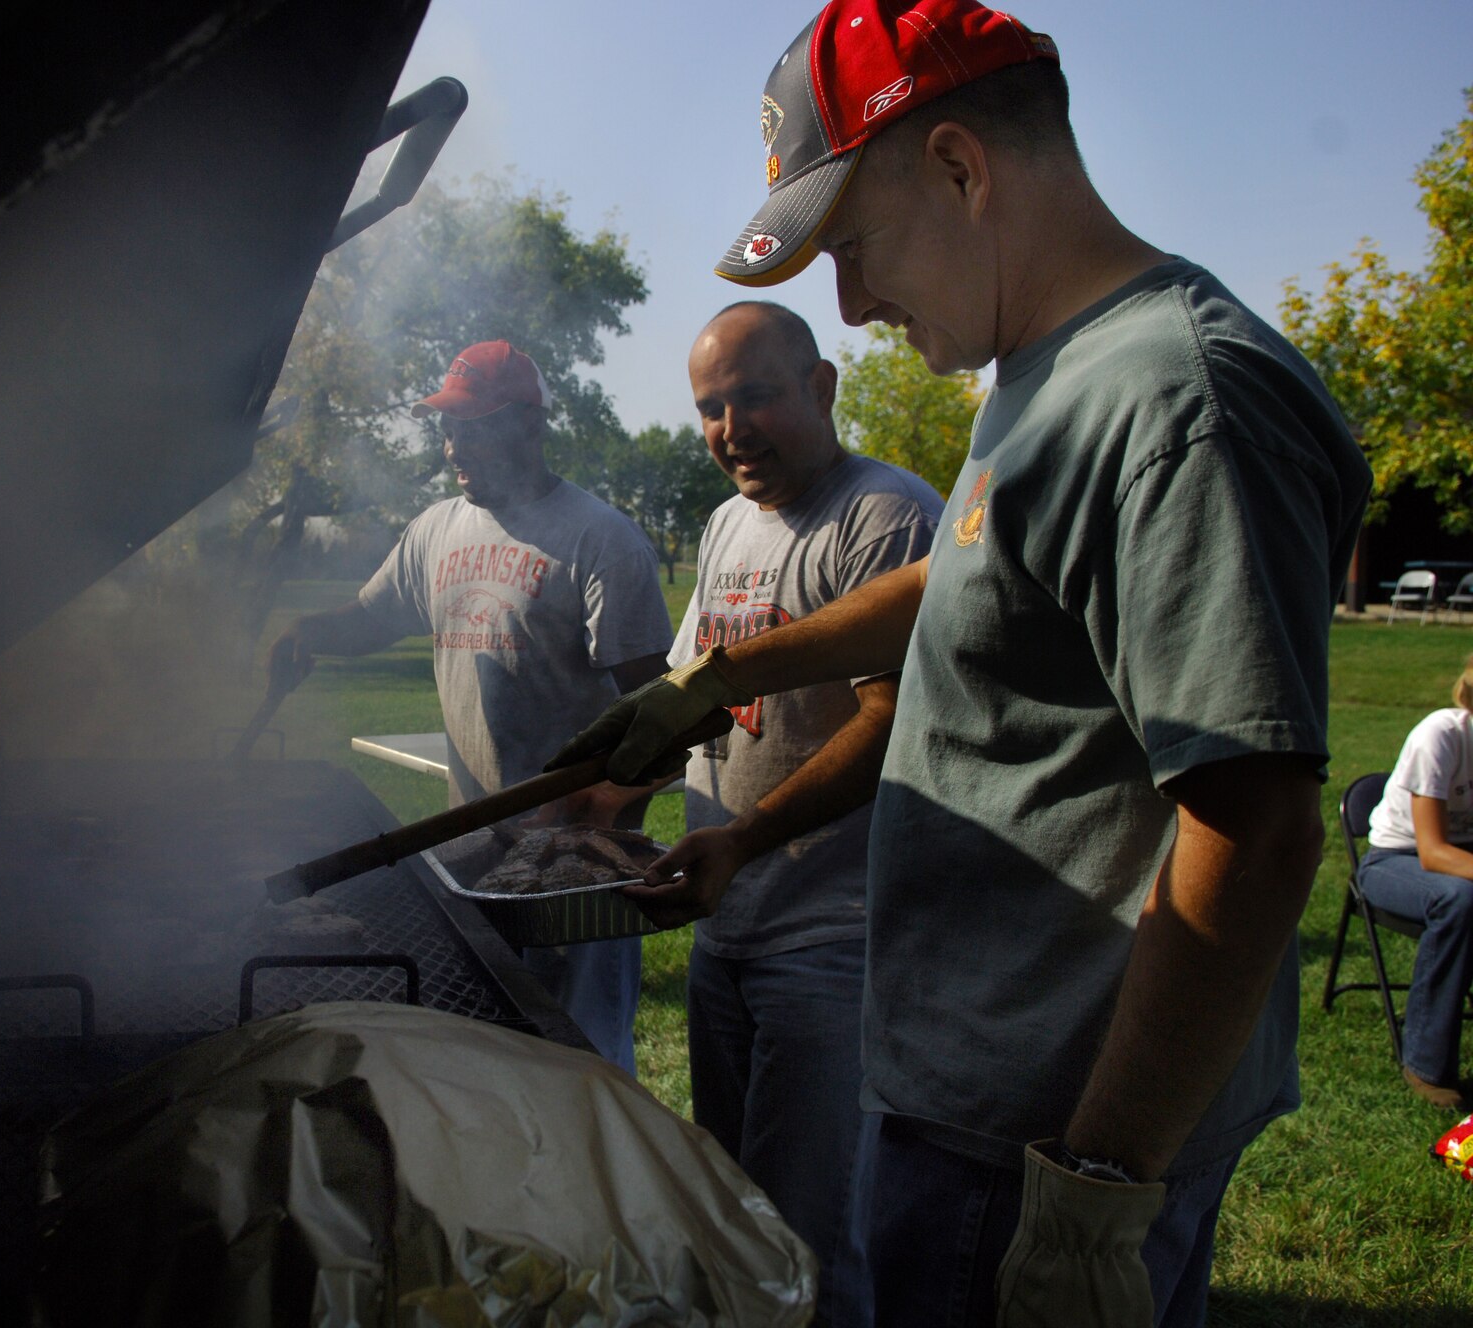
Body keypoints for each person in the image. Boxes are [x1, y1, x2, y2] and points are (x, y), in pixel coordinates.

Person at [552, 2, 1373, 1324]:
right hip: (969, 1090)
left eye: (854, 249)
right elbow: (963, 587)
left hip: (1050, 1139)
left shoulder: (1175, 403)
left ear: (958, 167)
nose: (855, 305)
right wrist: (706, 685)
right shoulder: (1043, 378)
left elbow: (1259, 829)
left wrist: (1097, 1192)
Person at [614, 300, 937, 1321]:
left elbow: (890, 725)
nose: (729, 428)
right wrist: (608, 793)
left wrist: (745, 837)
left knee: (811, 1223)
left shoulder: (882, 516)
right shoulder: (720, 525)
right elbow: (690, 694)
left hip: (834, 938)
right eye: (710, 407)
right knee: (734, 1200)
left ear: (820, 387)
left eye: (752, 395)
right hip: (730, 921)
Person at [268, 339, 673, 1074]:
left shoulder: (600, 540)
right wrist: (312, 633)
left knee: (581, 1068)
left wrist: (601, 809)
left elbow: (664, 713)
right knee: (488, 1056)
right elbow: (373, 616)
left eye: (476, 425)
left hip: (576, 865)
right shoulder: (434, 530)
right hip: (472, 852)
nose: (456, 443)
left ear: (530, 425)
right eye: (449, 425)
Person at [1359, 653, 1473, 1112]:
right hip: (1396, 859)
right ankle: (1426, 1064)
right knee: (1462, 899)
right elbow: (1433, 851)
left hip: (1460, 859)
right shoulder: (1442, 735)